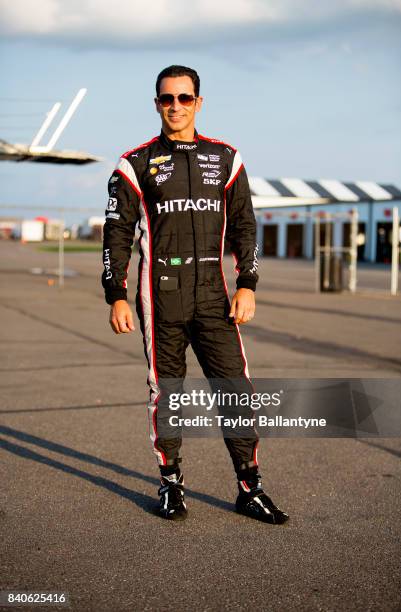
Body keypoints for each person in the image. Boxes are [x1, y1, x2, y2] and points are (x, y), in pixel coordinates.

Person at [102, 65, 288, 524]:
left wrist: (248, 283)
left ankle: (250, 488)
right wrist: (116, 294)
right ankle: (170, 485)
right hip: (159, 297)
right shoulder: (135, 163)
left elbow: (246, 226)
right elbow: (117, 233)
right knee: (167, 394)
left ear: (199, 103)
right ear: (156, 104)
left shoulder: (226, 158)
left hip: (213, 296)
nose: (176, 106)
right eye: (167, 98)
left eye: (185, 98)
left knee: (237, 392)